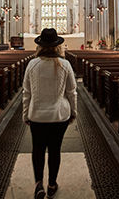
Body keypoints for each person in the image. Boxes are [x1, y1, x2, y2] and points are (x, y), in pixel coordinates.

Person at [22, 28, 77, 199]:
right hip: (59, 116)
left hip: (37, 115)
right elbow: (72, 92)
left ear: (40, 46)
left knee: (37, 149)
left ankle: (38, 183)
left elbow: (26, 93)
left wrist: (25, 114)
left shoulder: (32, 64)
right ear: (57, 46)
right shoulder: (65, 64)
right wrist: (74, 112)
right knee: (55, 150)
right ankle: (52, 184)